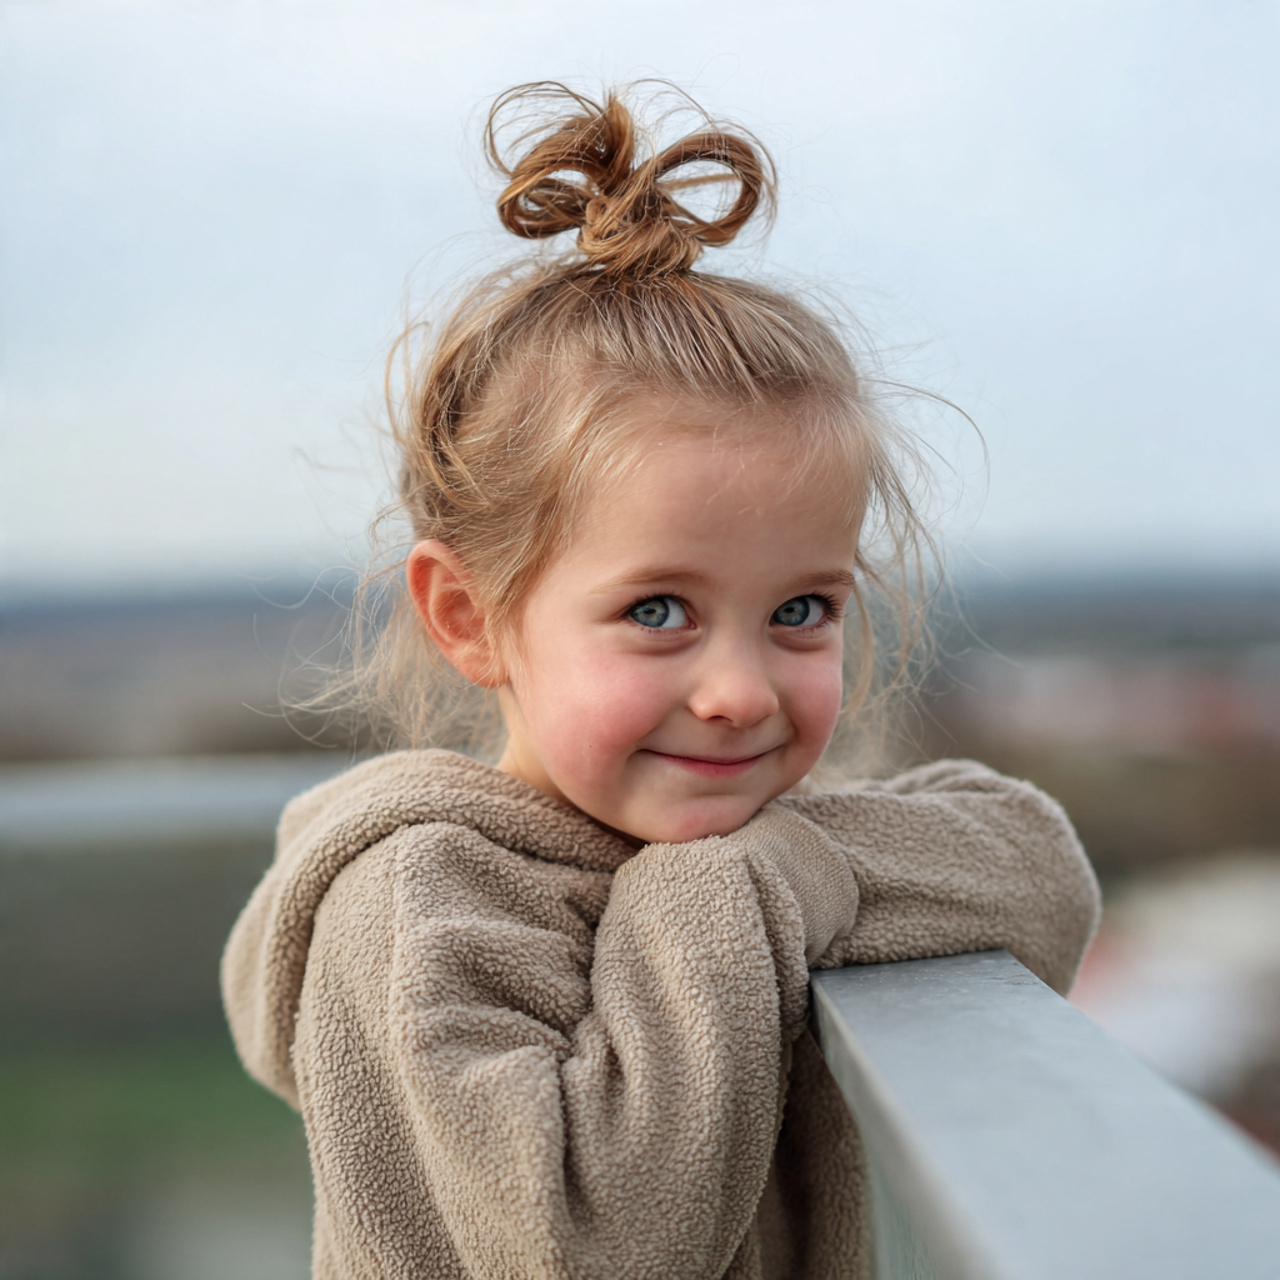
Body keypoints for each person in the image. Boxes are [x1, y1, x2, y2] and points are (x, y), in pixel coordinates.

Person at [222, 82, 1100, 1280]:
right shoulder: (414, 902)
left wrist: (767, 867)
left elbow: (1037, 872)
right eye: (655, 611)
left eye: (800, 609)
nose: (739, 688)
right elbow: (587, 1241)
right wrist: (717, 900)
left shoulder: (756, 841)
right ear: (469, 617)